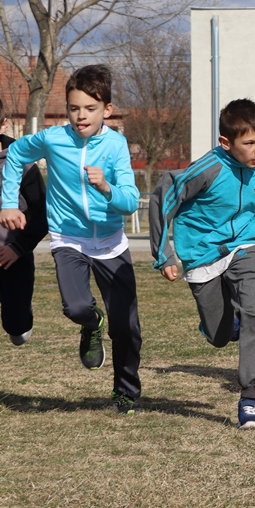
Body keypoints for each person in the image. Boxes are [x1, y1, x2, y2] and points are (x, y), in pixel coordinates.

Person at [150, 99, 255, 430]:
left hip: (243, 248)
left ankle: (249, 398)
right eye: (249, 143)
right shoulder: (207, 169)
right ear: (226, 142)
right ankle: (227, 322)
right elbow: (165, 193)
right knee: (219, 335)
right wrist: (164, 252)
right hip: (202, 256)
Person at [0, 64, 143, 414]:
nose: (81, 116)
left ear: (106, 110)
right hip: (68, 239)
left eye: (90, 109)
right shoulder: (53, 138)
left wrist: (107, 188)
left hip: (111, 242)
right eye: (74, 108)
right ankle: (92, 323)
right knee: (76, 307)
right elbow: (16, 154)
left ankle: (125, 392)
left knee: (126, 325)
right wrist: (7, 202)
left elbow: (129, 199)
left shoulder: (116, 145)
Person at [0, 99, 48, 346]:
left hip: (12, 256)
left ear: (3, 125)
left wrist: (18, 248)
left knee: (18, 332)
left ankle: (20, 318)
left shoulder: (21, 162)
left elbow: (41, 214)